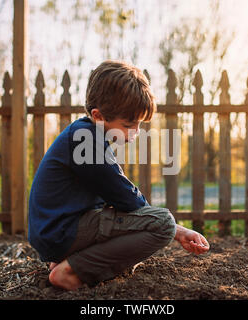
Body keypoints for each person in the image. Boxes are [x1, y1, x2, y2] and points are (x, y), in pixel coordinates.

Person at [28, 60, 210, 291]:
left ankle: (67, 260)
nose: (135, 132)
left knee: (147, 221)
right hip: (62, 232)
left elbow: (115, 201)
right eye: (128, 125)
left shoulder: (85, 135)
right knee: (163, 223)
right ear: (98, 115)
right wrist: (176, 230)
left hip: (56, 232)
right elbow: (127, 198)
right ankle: (72, 271)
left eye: (139, 125)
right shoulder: (86, 141)